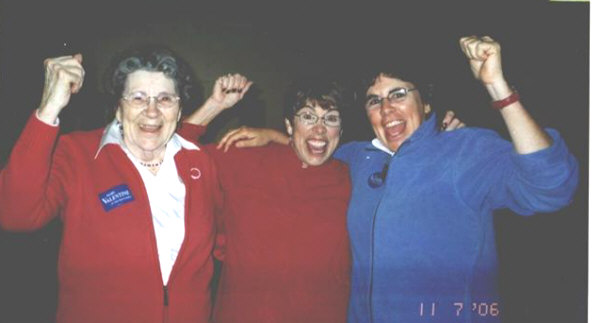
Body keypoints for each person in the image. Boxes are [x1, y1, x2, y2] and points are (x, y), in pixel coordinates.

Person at [218, 36, 579, 323]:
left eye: (399, 94)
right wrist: (276, 136)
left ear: (426, 103)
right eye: (374, 101)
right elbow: (319, 147)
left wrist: (498, 87)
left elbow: (551, 187)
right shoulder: (359, 158)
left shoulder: (466, 150)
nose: (386, 109)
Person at [0, 47, 219, 323]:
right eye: (137, 98)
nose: (151, 111)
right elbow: (15, 214)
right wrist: (49, 108)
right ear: (118, 106)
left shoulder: (201, 162)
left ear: (179, 110)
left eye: (164, 99)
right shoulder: (78, 154)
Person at [180, 77, 352, 323]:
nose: (319, 129)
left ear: (341, 131)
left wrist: (275, 136)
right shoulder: (244, 160)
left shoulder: (352, 177)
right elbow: (172, 152)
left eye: (331, 118)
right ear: (289, 125)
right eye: (307, 116)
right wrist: (214, 105)